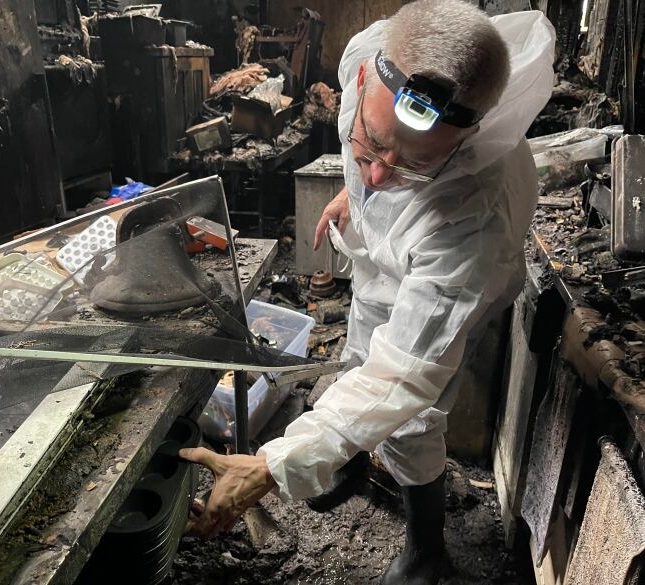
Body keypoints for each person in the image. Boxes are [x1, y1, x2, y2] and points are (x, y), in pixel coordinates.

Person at [181, 1, 556, 583]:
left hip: (445, 280)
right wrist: (353, 198)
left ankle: (426, 549)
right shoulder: (367, 56)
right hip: (385, 257)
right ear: (361, 80)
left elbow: (401, 377)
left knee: (410, 415)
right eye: (372, 144)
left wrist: (270, 466)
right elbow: (376, 176)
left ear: (463, 141)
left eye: (414, 166)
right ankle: (350, 462)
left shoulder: (478, 214)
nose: (380, 174)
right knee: (356, 355)